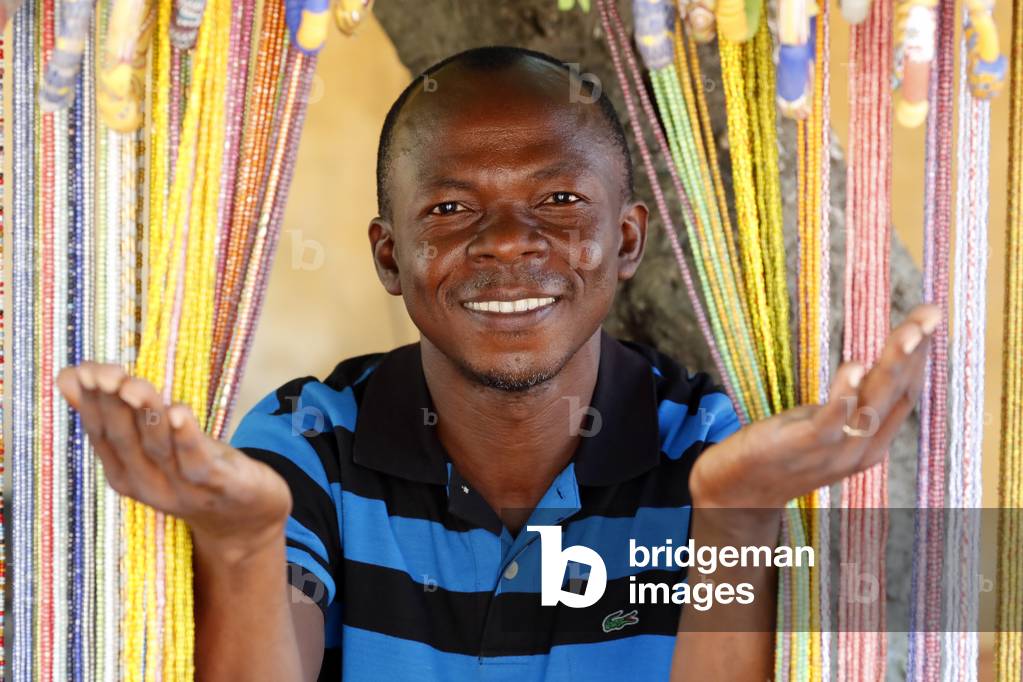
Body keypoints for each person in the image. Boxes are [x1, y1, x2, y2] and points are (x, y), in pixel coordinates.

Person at [57, 46, 938, 681]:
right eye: (448, 207)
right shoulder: (308, 442)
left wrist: (738, 516)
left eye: (558, 199)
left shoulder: (710, 452)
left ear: (624, 238)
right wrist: (242, 543)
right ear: (390, 255)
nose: (509, 242)